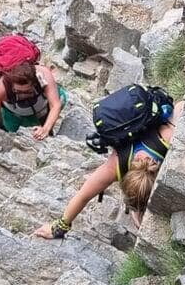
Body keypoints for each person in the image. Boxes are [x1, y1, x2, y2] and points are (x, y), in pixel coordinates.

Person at [32, 85, 175, 239]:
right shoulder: (169, 136)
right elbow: (181, 107)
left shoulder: (115, 166)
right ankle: (137, 209)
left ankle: (137, 209)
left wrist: (58, 228)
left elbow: (83, 195)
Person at [0, 62, 67, 165]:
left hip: (43, 105)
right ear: (12, 85)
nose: (23, 95)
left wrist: (46, 128)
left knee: (48, 121)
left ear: (34, 82)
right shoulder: (2, 87)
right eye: (18, 91)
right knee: (14, 132)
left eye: (27, 91)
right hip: (15, 113)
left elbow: (55, 105)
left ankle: (49, 133)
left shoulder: (43, 74)